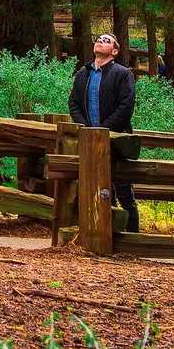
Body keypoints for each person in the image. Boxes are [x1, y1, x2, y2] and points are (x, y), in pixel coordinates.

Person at [67, 32, 140, 234]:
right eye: (99, 39)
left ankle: (133, 238)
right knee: (99, 190)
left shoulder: (123, 73)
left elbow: (126, 106)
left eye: (106, 41)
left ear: (114, 51)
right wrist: (88, 129)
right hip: (91, 141)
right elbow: (73, 103)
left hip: (117, 141)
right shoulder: (83, 74)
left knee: (124, 192)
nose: (100, 41)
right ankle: (105, 235)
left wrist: (104, 130)